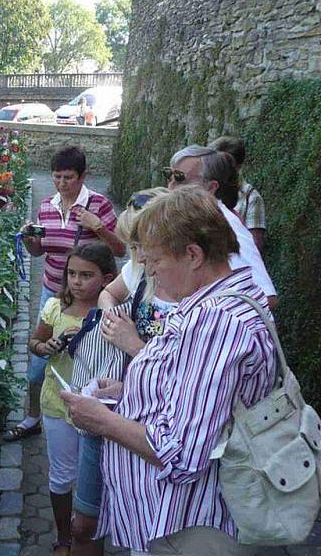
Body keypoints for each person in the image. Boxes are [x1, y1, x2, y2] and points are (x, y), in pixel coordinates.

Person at [62, 186, 277, 555]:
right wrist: (128, 390)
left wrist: (101, 420)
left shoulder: (217, 323)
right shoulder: (220, 301)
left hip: (187, 525)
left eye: (155, 262)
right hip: (175, 521)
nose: (149, 274)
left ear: (193, 254)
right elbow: (198, 392)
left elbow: (180, 455)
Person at [68, 187, 176, 556]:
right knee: (84, 522)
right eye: (134, 246)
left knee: (143, 530)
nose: (139, 256)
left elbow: (183, 378)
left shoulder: (198, 301)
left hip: (147, 427)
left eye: (142, 244)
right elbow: (109, 294)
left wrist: (134, 346)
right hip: (120, 401)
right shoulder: (142, 268)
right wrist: (113, 315)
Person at [3, 146, 124, 442]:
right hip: (54, 293)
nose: (61, 183)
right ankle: (33, 417)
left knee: (86, 360)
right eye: (56, 177)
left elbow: (121, 250)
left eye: (68, 177)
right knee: (38, 365)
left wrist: (98, 227)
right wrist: (30, 240)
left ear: (83, 176)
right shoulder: (47, 206)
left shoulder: (100, 205)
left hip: (92, 298)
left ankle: (86, 423)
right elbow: (40, 252)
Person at [30, 243, 116, 556]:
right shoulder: (55, 307)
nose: (77, 281)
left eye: (86, 275)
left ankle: (92, 533)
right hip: (57, 401)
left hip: (96, 408)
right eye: (72, 274)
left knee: (95, 476)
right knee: (61, 473)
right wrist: (45, 347)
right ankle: (64, 536)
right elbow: (35, 342)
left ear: (106, 279)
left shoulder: (112, 313)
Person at [162, 145, 277, 309]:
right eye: (169, 175)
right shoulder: (193, 220)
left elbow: (266, 296)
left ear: (210, 187)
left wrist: (213, 321)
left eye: (180, 178)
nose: (171, 186)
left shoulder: (226, 225)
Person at [209, 136, 266, 252]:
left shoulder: (251, 197)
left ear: (238, 167)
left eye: (224, 165)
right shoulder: (204, 191)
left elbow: (254, 247)